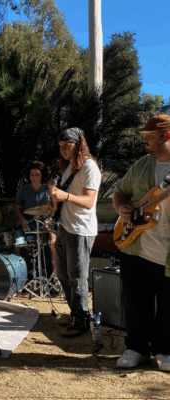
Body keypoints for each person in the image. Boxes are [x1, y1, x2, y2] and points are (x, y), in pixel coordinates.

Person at [113, 114, 170, 371]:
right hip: (135, 245)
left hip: (167, 250)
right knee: (135, 302)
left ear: (166, 136)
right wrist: (122, 208)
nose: (145, 141)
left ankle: (164, 350)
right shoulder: (141, 165)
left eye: (149, 136)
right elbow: (120, 192)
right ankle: (136, 348)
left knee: (168, 304)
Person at [48, 128, 101, 338]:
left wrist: (65, 196)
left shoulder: (89, 167)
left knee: (77, 278)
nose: (62, 150)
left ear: (79, 144)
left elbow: (89, 201)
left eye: (67, 146)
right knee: (63, 275)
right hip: (65, 227)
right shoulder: (70, 166)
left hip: (80, 230)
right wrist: (54, 206)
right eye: (60, 146)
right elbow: (65, 197)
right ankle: (75, 314)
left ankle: (81, 321)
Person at [16, 161, 56, 274]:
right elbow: (18, 209)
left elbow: (54, 209)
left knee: (53, 243)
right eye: (31, 175)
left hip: (44, 226)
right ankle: (20, 276)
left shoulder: (49, 190)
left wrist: (49, 219)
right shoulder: (23, 190)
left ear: (42, 175)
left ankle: (55, 277)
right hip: (28, 225)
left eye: (37, 175)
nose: (34, 178)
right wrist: (23, 220)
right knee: (17, 244)